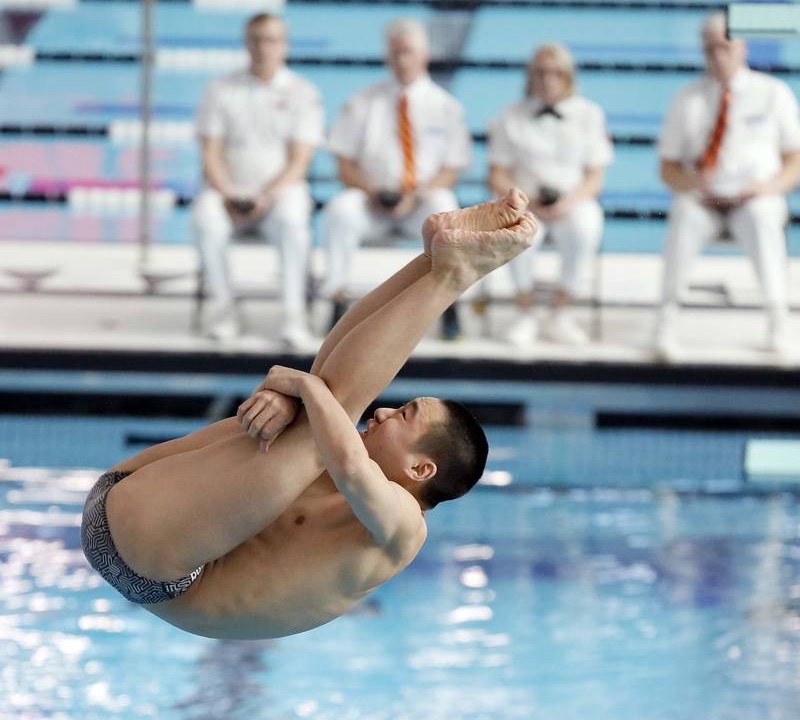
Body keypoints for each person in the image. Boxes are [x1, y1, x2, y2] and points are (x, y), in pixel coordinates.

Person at [81, 190, 537, 640]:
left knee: (325, 409)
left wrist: (300, 387)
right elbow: (333, 393)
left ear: (421, 469)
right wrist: (302, 393)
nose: (383, 412)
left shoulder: (403, 526)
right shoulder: (332, 445)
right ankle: (435, 261)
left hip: (154, 566)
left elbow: (353, 467)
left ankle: (449, 272)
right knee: (324, 406)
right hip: (138, 512)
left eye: (404, 416)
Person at [655, 12, 800, 359]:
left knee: (764, 218)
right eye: (710, 49)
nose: (718, 56)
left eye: (725, 47)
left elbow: (795, 160)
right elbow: (667, 168)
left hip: (755, 198)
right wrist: (691, 180)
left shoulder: (773, 93)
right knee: (683, 214)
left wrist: (769, 187)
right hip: (703, 199)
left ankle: (778, 321)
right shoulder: (686, 98)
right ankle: (666, 322)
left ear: (742, 46)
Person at [321, 17, 472, 339]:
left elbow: (452, 168)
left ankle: (451, 304)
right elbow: (344, 165)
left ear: (424, 55)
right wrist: (372, 190)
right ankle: (336, 299)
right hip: (372, 201)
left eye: (410, 52)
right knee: (341, 208)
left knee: (446, 204)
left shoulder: (446, 107)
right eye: (397, 52)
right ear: (387, 56)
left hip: (420, 206)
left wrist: (416, 195)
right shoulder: (361, 102)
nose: (404, 60)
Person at [192, 12, 324, 347]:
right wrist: (228, 193)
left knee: (294, 217)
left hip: (278, 196)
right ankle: (224, 311)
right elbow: (210, 153)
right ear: (246, 44)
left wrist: (265, 196)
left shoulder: (303, 92)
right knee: (206, 215)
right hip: (229, 192)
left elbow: (300, 160)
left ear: (284, 46)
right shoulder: (220, 90)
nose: (263, 48)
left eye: (272, 40)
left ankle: (293, 315)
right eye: (257, 40)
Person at [487, 42, 612, 347]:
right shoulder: (509, 116)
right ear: (531, 76)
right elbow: (497, 174)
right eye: (541, 73)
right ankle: (525, 312)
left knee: (587, 225)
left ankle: (561, 311)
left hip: (573, 202)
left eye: (556, 73)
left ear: (569, 76)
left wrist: (568, 201)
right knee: (515, 231)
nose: (548, 79)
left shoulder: (590, 114)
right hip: (526, 202)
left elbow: (595, 177)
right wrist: (524, 199)